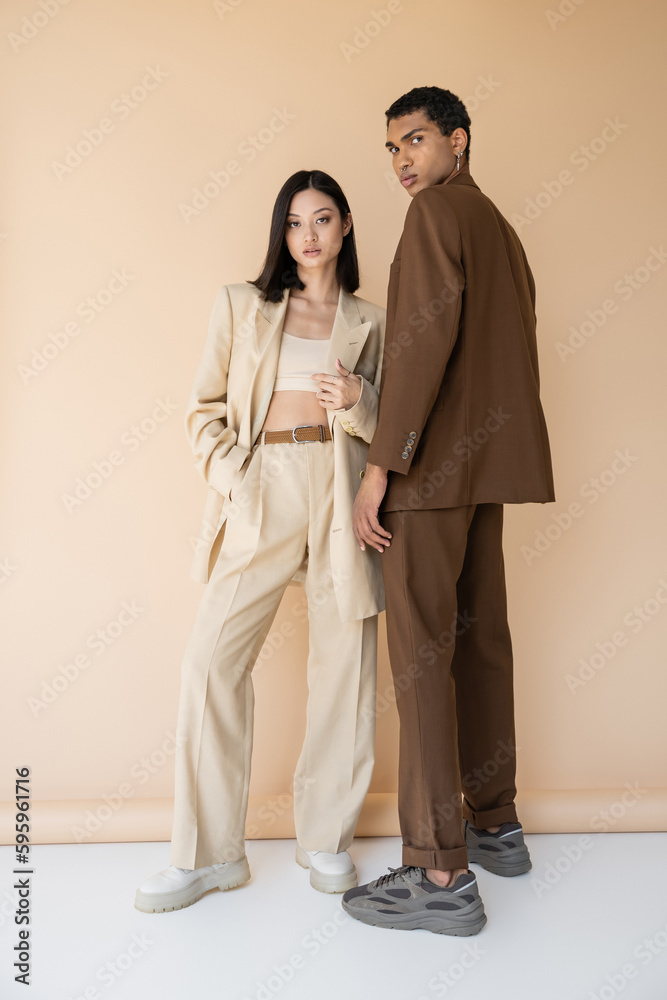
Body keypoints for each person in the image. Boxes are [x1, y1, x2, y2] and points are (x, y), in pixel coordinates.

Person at [135, 170, 385, 913]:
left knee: (346, 667)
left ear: (344, 229)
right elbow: (200, 410)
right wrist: (238, 476)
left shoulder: (369, 317)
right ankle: (206, 856)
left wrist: (361, 399)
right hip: (263, 482)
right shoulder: (242, 306)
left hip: (339, 489)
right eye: (294, 222)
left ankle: (325, 840)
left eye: (323, 219)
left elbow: (396, 425)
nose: (308, 235)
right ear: (281, 233)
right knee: (211, 662)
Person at [343, 86, 555, 936]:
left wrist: (379, 467)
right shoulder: (498, 226)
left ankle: (437, 871)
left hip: (431, 476)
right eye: (392, 148)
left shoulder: (434, 215)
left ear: (457, 141)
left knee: (422, 658)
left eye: (417, 140)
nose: (403, 161)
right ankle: (495, 824)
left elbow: (422, 346)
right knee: (481, 645)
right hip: (486, 471)